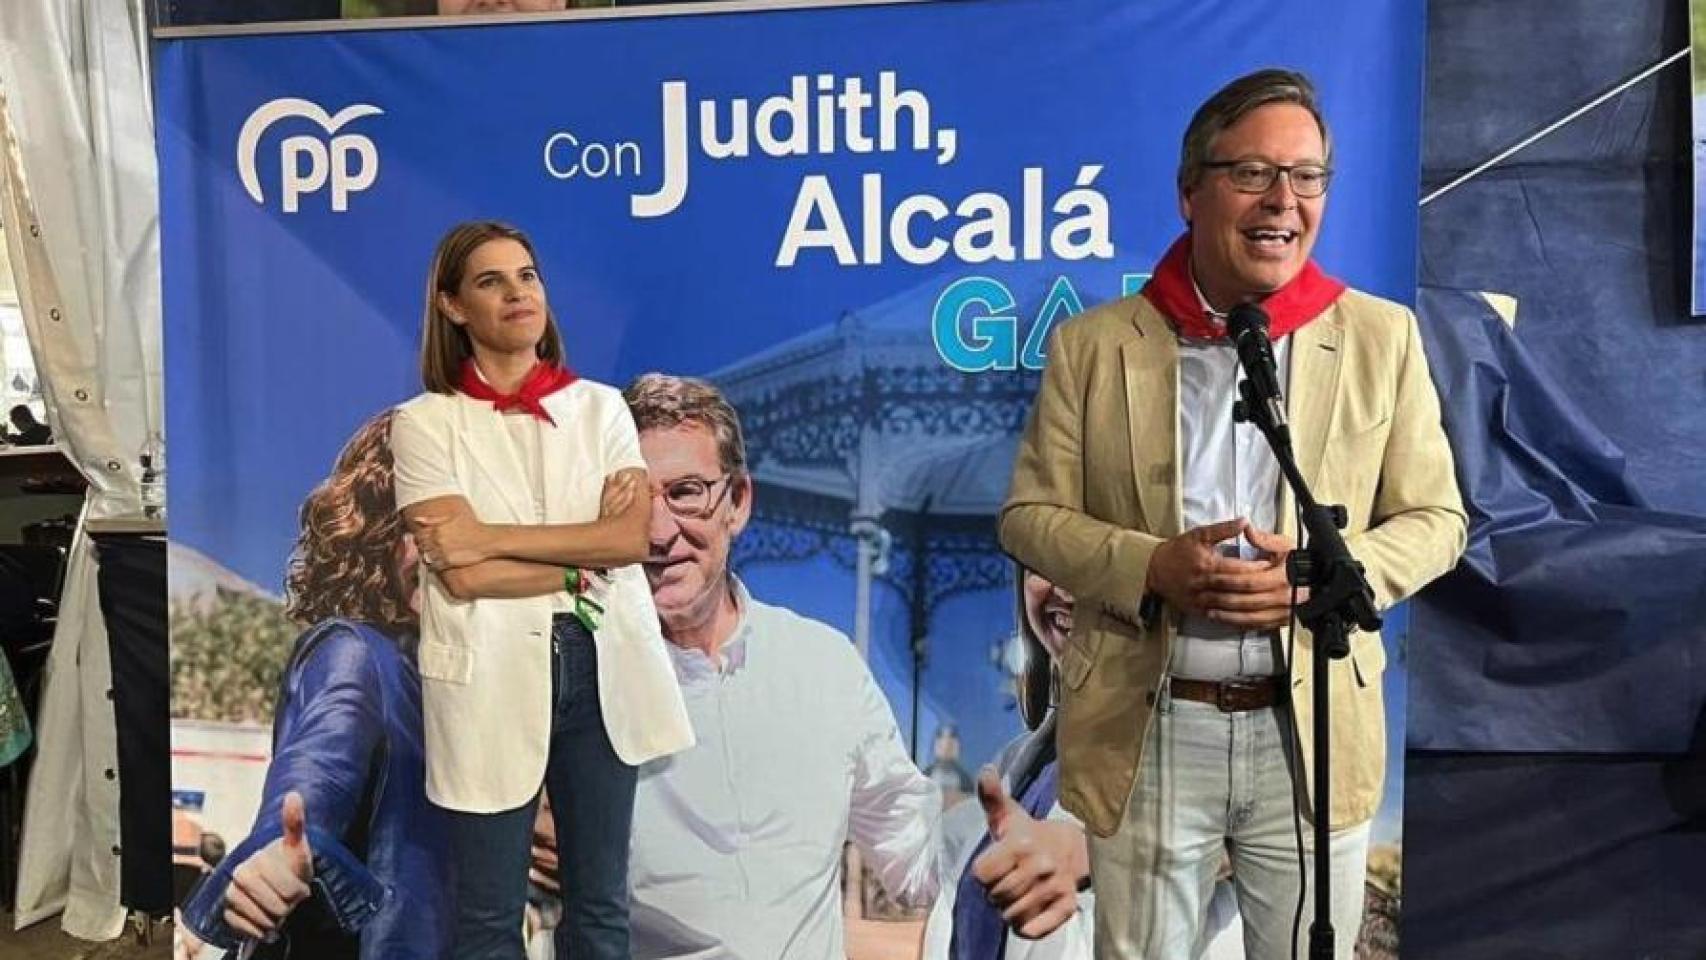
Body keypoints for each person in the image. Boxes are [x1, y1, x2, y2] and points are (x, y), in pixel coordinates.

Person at [999, 68, 1467, 960]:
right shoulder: (1095, 347)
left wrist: (1327, 575)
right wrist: (1149, 566)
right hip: (1149, 720)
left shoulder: (1379, 337)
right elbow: (1029, 516)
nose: (1282, 200)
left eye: (1307, 176)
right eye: (1252, 173)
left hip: (1312, 727)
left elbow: (1437, 518)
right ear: (1190, 191)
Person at [390, 220, 693, 960]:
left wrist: (489, 535)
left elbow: (626, 541)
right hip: (488, 673)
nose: (518, 293)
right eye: (492, 280)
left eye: (527, 275)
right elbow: (458, 573)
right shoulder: (425, 425)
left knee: (599, 909)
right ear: (454, 306)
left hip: (602, 668)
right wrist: (567, 564)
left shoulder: (601, 408)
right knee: (490, 917)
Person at [177, 409, 454, 959]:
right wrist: (275, 852)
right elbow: (316, 776)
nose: (445, 549)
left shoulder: (447, 673)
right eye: (422, 524)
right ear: (379, 531)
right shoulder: (356, 654)